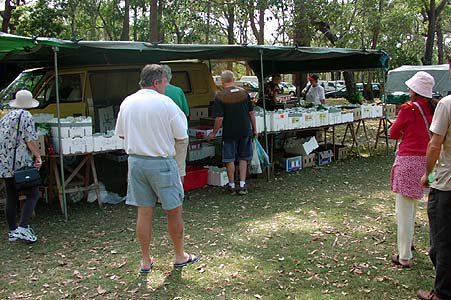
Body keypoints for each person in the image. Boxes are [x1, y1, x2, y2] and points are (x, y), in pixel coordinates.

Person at [115, 64, 198, 273]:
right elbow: (182, 136)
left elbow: (122, 134)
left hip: (136, 162)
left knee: (144, 212)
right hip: (161, 162)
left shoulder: (128, 102)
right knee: (174, 210)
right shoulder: (166, 103)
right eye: (165, 82)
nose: (167, 86)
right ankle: (180, 255)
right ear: (156, 82)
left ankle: (145, 260)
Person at [389, 71, 435, 269]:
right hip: (429, 162)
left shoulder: (409, 109)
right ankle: (409, 243)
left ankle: (404, 255)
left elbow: (393, 133)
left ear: (414, 91)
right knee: (414, 205)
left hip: (408, 161)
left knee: (404, 210)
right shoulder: (434, 108)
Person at [417, 56, 451, 300]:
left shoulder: (447, 104)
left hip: (447, 184)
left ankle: (442, 293)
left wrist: (427, 174)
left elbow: (434, 145)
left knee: (442, 241)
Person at [0, 90, 42, 243]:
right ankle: (23, 227)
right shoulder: (26, 116)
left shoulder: (6, 117)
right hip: (20, 164)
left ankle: (12, 231)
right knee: (33, 194)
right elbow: (29, 140)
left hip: (5, 164)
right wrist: (37, 156)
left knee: (11, 197)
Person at [207, 70, 257, 195]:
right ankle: (242, 184)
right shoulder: (244, 93)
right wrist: (254, 128)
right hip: (245, 130)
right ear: (233, 79)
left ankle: (231, 185)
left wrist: (214, 132)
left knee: (229, 159)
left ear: (222, 81)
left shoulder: (220, 96)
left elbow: (219, 118)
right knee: (243, 157)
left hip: (229, 132)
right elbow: (251, 113)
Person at [162, 64, 189, 182]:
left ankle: (160, 196)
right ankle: (179, 192)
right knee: (179, 166)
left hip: (162, 134)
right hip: (180, 132)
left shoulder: (155, 93)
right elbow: (186, 112)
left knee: (163, 165)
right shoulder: (178, 91)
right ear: (170, 76)